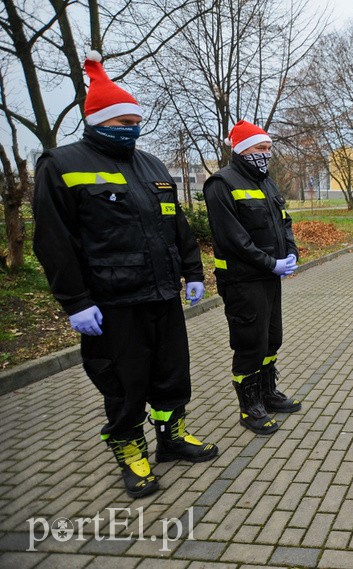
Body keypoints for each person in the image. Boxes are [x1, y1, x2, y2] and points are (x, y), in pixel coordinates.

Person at [32, 52, 218, 499]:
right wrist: (75, 301)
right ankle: (130, 451)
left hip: (161, 294)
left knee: (171, 373)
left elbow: (176, 225)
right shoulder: (61, 164)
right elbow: (54, 242)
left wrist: (193, 271)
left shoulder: (152, 165)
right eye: (122, 119)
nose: (131, 126)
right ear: (97, 119)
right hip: (111, 303)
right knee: (125, 382)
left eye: (136, 118)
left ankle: (171, 438)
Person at [203, 120, 301, 435]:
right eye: (261, 148)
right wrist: (270, 263)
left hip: (269, 279)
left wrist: (291, 253)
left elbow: (284, 222)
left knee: (272, 339)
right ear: (243, 149)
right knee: (250, 344)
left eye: (269, 148)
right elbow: (234, 239)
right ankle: (249, 408)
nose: (267, 154)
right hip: (243, 280)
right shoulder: (221, 184)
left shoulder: (267, 183)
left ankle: (267, 392)